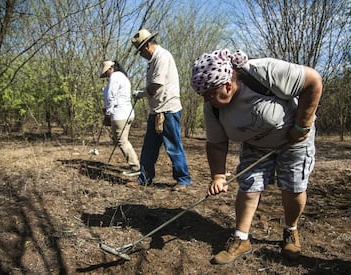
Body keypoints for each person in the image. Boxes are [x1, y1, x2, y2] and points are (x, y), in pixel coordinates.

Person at [190, 49, 322, 264]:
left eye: (209, 94)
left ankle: (291, 231)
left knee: (293, 186)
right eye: (203, 96)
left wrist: (302, 125)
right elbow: (216, 143)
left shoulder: (263, 72)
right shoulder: (212, 108)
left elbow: (313, 81)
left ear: (228, 85)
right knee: (249, 186)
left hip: (294, 137)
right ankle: (241, 239)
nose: (207, 100)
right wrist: (218, 176)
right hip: (254, 144)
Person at [127, 29, 191, 191]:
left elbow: (156, 86)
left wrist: (140, 93)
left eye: (140, 51)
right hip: (156, 110)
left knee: (173, 146)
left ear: (147, 46)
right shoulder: (153, 61)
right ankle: (145, 178)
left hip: (168, 109)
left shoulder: (162, 57)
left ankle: (183, 179)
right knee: (149, 147)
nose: (141, 55)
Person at [100, 60, 140, 176]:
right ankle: (135, 165)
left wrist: (108, 112)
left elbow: (111, 95)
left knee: (122, 141)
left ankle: (135, 167)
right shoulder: (123, 77)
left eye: (106, 73)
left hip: (120, 114)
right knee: (123, 140)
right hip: (128, 112)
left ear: (111, 69)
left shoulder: (115, 76)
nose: (106, 75)